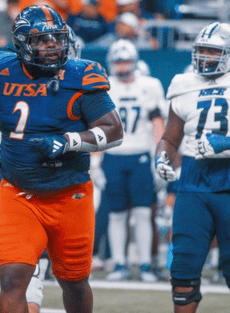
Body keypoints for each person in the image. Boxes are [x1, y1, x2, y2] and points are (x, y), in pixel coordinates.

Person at [0, 5, 124, 313]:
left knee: (74, 281)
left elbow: (114, 130)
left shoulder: (80, 75)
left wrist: (69, 142)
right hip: (17, 193)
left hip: (69, 194)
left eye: (57, 39)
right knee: (11, 278)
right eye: (42, 40)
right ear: (22, 43)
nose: (52, 46)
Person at [155, 22, 230, 313]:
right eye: (202, 51)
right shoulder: (184, 84)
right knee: (182, 267)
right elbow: (170, 138)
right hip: (193, 181)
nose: (205, 57)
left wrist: (227, 143)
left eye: (213, 51)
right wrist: (163, 157)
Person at [100, 39, 165, 282]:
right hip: (113, 155)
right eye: (118, 61)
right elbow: (98, 126)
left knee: (143, 212)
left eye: (126, 60)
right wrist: (96, 163)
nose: (122, 65)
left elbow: (157, 124)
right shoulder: (105, 86)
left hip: (139, 154)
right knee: (116, 214)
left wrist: (159, 159)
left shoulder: (150, 85)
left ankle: (145, 264)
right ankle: (119, 263)